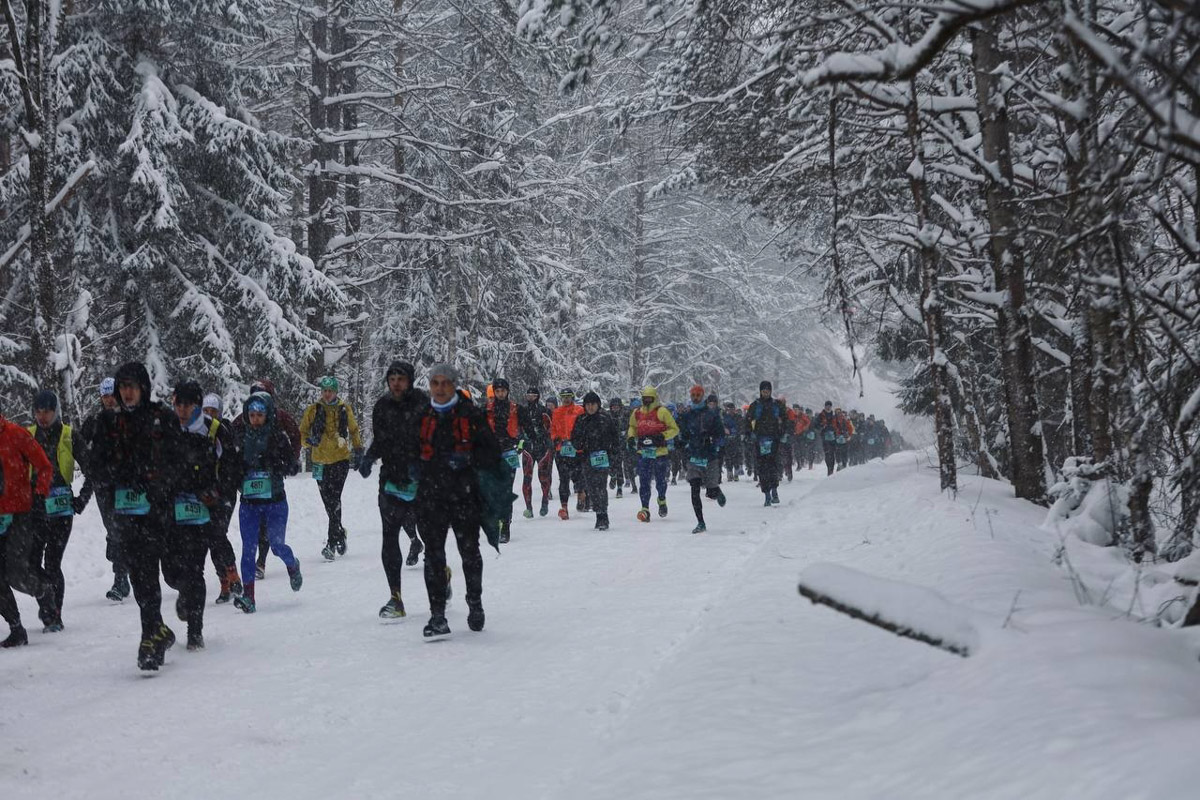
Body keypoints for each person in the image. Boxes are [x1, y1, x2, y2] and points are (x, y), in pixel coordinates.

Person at [87, 362, 179, 669]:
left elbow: (175, 460)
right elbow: (95, 465)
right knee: (139, 577)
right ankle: (159, 631)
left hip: (155, 511)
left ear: (143, 388)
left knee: (150, 572)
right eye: (122, 386)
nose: (127, 392)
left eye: (132, 386)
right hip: (124, 511)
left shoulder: (160, 417)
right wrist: (114, 477)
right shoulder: (107, 422)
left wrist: (156, 484)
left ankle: (148, 639)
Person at [414, 363, 501, 638]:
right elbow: (408, 448)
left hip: (464, 496)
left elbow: (492, 453)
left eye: (445, 383)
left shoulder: (471, 415)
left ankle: (474, 603)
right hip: (431, 497)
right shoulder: (422, 414)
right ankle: (437, 615)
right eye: (435, 383)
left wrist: (468, 460)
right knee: (434, 555)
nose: (439, 389)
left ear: (454, 385)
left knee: (469, 553)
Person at [160, 380, 233, 650]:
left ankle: (195, 629)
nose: (181, 410)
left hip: (201, 512)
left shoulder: (214, 431)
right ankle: (183, 592)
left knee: (195, 570)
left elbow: (230, 469)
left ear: (198, 406)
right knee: (169, 572)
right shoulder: (165, 428)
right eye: (177, 403)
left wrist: (216, 493)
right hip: (169, 511)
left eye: (187, 405)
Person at [360, 360, 427, 619]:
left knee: (430, 538)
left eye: (400, 378)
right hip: (391, 480)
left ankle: (441, 575)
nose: (396, 383)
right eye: (392, 378)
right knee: (390, 537)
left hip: (421, 482)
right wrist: (369, 457)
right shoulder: (382, 406)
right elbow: (381, 440)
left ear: (409, 380)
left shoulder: (423, 404)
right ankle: (395, 598)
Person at [232, 391, 302, 614]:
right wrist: (238, 475)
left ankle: (292, 564)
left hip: (275, 501)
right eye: (251, 414)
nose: (255, 419)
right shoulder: (241, 437)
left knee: (276, 545)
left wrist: (274, 464)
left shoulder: (278, 437)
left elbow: (293, 467)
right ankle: (249, 597)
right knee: (248, 549)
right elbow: (231, 467)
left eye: (259, 415)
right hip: (249, 503)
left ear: (268, 415)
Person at [23, 390, 83, 633]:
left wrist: (81, 501)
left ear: (55, 411)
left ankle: (55, 614)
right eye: (38, 411)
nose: (42, 416)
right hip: (35, 510)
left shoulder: (69, 435)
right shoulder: (27, 436)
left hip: (61, 510)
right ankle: (46, 602)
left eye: (47, 411)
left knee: (53, 563)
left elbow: (92, 470)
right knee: (32, 562)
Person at [0, 402, 55, 649]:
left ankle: (43, 590)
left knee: (14, 571)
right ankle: (16, 628)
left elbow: (44, 465)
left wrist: (40, 493)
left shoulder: (16, 434)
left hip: (20, 514)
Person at [76, 378, 128, 601]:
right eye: (105, 395)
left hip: (126, 483)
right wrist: (89, 465)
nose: (108, 399)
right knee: (114, 529)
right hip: (102, 484)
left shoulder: (129, 418)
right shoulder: (94, 421)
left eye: (112, 395)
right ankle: (120, 566)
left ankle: (121, 579)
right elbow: (77, 444)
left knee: (122, 530)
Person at [300, 375, 363, 560]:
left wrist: (358, 449)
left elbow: (353, 429)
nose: (327, 394)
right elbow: (302, 432)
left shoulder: (344, 408)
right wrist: (308, 442)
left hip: (340, 459)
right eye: (324, 391)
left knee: (334, 498)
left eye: (331, 391)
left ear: (336, 392)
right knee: (328, 502)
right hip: (319, 461)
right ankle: (340, 532)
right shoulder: (313, 409)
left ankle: (330, 544)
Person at [199, 393, 242, 604]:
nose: (209, 415)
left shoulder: (225, 430)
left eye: (213, 411)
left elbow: (232, 463)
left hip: (224, 493)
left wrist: (223, 489)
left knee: (217, 533)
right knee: (210, 537)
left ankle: (232, 576)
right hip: (205, 494)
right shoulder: (197, 431)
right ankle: (224, 581)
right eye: (205, 411)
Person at [677, 388, 727, 533]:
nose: (695, 398)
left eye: (698, 395)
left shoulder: (712, 414)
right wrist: (681, 442)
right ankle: (701, 522)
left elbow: (720, 434)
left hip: (709, 456)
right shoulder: (687, 415)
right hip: (693, 457)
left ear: (702, 396)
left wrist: (714, 442)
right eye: (693, 395)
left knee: (710, 492)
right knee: (695, 489)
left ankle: (717, 492)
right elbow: (684, 434)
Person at [627, 386, 679, 522]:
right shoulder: (637, 412)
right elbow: (632, 426)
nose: (647, 401)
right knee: (644, 481)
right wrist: (631, 438)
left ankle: (661, 498)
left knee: (661, 480)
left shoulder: (662, 411)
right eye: (645, 398)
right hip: (643, 452)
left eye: (650, 398)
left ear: (655, 398)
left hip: (659, 452)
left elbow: (675, 429)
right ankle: (645, 508)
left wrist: (662, 436)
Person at [572, 392, 619, 530]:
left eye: (593, 404)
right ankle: (598, 510)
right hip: (587, 457)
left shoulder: (606, 418)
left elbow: (614, 438)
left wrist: (614, 456)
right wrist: (579, 444)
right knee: (591, 487)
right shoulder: (581, 419)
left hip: (603, 456)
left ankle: (602, 515)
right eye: (588, 405)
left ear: (598, 404)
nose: (590, 407)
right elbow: (574, 438)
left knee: (601, 486)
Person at [486, 378, 522, 543]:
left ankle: (505, 526)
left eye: (503, 390)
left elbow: (526, 430)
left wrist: (522, 444)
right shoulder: (486, 409)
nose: (500, 393)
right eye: (497, 391)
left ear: (507, 391)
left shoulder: (516, 409)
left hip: (509, 453)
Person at [747, 381, 787, 506]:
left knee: (773, 466)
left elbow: (785, 420)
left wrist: (782, 433)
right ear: (760, 391)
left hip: (774, 440)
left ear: (771, 391)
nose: (765, 393)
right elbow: (747, 421)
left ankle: (775, 490)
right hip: (760, 441)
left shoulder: (777, 405)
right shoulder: (755, 405)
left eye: (767, 391)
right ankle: (767, 494)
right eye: (763, 391)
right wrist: (749, 434)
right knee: (762, 468)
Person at [517, 387, 553, 518]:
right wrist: (519, 442)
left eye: (533, 395)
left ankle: (544, 501)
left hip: (542, 448)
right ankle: (529, 508)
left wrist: (549, 442)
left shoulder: (545, 411)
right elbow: (518, 429)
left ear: (538, 396)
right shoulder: (522, 411)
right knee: (527, 479)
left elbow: (550, 428)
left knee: (543, 477)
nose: (531, 397)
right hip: (528, 449)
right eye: (529, 395)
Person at [550, 389, 585, 519]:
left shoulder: (579, 411)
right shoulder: (557, 412)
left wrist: (579, 440)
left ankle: (581, 493)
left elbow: (583, 427)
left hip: (576, 450)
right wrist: (555, 438)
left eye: (568, 397)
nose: (566, 399)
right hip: (561, 449)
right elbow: (553, 428)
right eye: (563, 397)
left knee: (577, 476)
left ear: (572, 397)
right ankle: (564, 507)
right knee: (563, 478)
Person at [607, 398, 627, 498]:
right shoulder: (607, 416)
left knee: (619, 467)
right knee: (609, 466)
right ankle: (612, 476)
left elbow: (627, 429)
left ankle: (619, 488)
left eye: (617, 407)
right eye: (613, 407)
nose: (615, 409)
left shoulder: (623, 417)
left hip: (620, 446)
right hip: (609, 446)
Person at [815, 401, 838, 476]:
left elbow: (838, 425)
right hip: (824, 437)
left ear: (831, 407)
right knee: (827, 453)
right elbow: (816, 425)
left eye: (829, 406)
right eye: (827, 406)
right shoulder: (821, 415)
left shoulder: (834, 415)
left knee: (833, 453)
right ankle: (829, 469)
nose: (828, 407)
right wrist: (822, 426)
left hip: (833, 437)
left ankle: (832, 468)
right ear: (824, 407)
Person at [721, 402, 742, 482]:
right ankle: (729, 473)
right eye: (729, 410)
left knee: (737, 457)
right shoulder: (725, 417)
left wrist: (737, 431)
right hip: (727, 440)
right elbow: (722, 426)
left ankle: (736, 473)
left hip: (736, 440)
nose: (731, 411)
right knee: (728, 457)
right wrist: (725, 429)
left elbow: (742, 426)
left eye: (732, 409)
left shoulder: (738, 417)